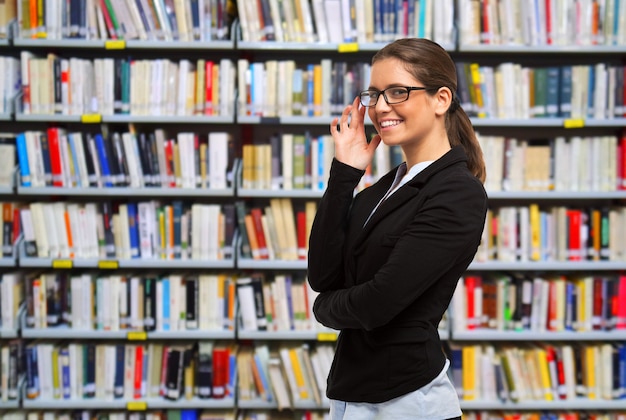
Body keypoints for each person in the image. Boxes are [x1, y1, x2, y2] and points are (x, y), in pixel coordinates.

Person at [306, 38, 488, 420]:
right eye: (375, 95)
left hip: (406, 401)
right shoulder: (384, 189)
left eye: (398, 92)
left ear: (441, 99)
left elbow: (378, 304)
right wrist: (344, 175)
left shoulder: (457, 193)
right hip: (349, 396)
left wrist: (323, 307)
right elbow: (323, 273)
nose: (381, 107)